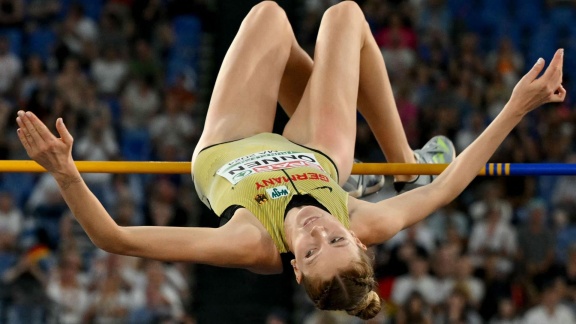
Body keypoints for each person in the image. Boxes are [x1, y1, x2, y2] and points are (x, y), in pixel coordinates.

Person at [15, 1, 565, 320]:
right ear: (359, 240)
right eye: (337, 239)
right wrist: (516, 107)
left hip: (230, 146)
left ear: (294, 264)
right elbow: (449, 188)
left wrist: (67, 175)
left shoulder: (250, 244)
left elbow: (116, 239)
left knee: (269, 17)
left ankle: (387, 152)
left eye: (309, 247)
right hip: (312, 153)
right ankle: (401, 161)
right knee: (345, 16)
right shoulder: (362, 219)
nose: (319, 227)